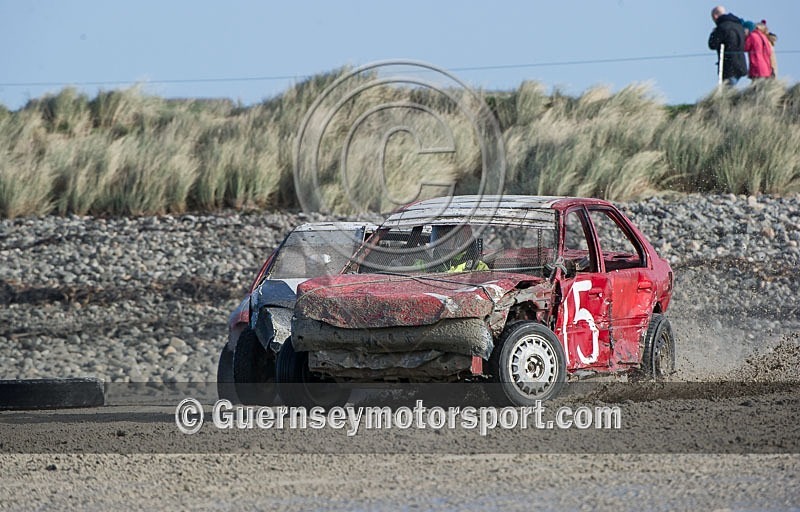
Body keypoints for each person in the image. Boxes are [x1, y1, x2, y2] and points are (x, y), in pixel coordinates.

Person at [708, 6, 747, 85]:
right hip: (741, 64)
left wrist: (713, 32)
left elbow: (712, 44)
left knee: (727, 91)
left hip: (728, 66)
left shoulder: (722, 27)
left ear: (715, 16)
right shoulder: (739, 26)